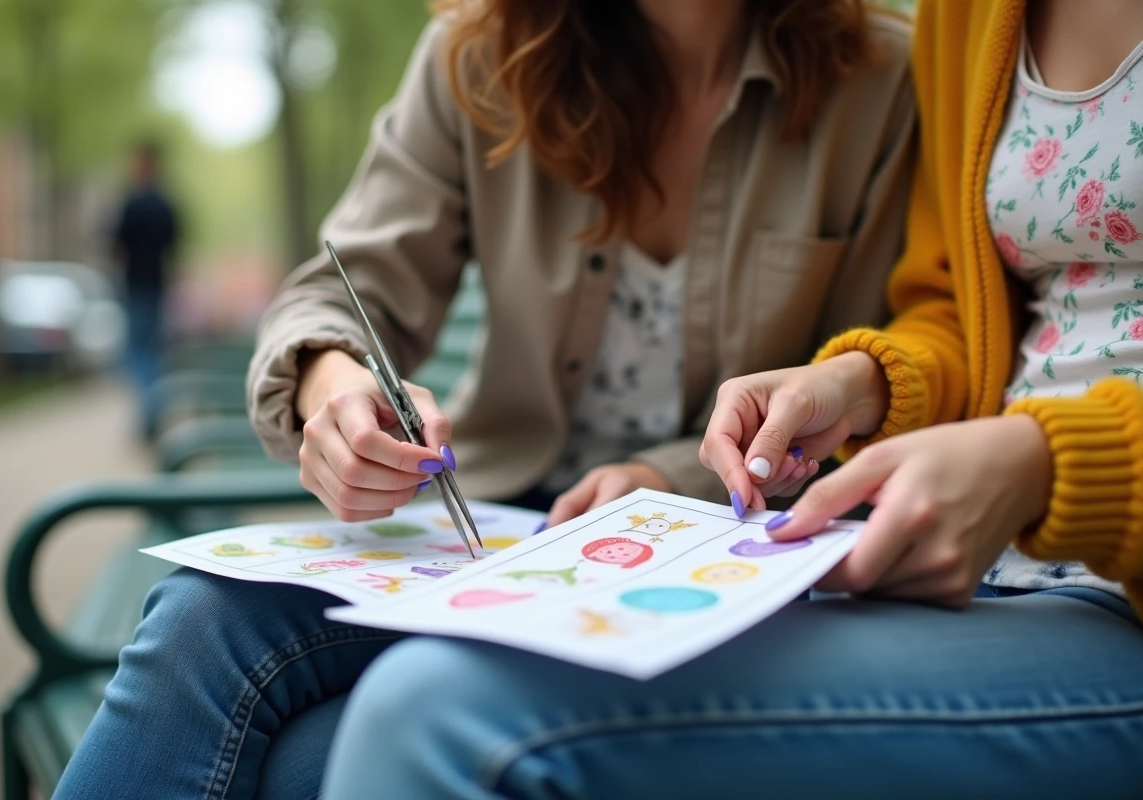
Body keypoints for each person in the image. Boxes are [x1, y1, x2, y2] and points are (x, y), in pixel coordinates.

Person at [54, 0, 916, 796]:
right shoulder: (483, 57)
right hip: (508, 530)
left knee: (315, 760)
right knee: (203, 618)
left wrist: (665, 478)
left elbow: (892, 372)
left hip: (740, 563)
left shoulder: (881, 79)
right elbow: (339, 290)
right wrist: (334, 385)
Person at [112, 141, 178, 439]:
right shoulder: (165, 205)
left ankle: (148, 411)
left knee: (138, 353)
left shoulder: (132, 204)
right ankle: (153, 409)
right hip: (157, 286)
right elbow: (174, 245)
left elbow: (116, 243)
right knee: (152, 351)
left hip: (136, 286)